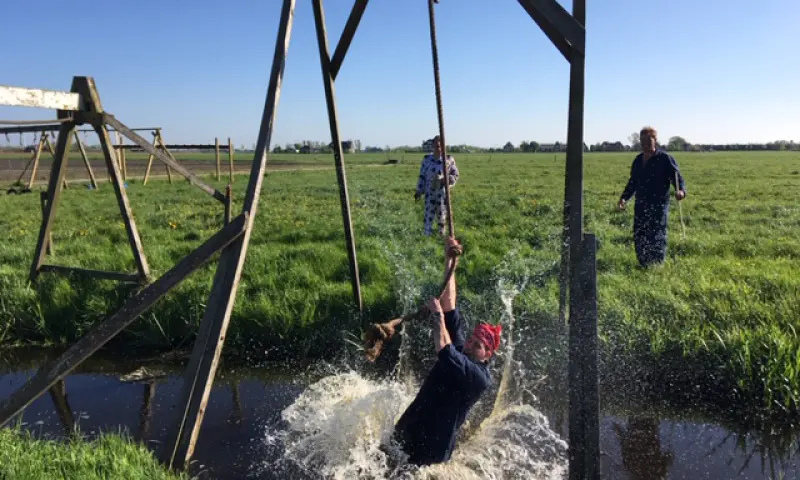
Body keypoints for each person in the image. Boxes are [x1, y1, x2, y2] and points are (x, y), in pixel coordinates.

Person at [390, 236, 502, 466]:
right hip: (409, 429)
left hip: (430, 452)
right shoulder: (461, 350)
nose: (469, 345)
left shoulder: (478, 378)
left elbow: (443, 348)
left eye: (477, 346)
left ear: (488, 355)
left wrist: (437, 316)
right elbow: (449, 303)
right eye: (470, 340)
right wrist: (450, 262)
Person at [618, 126, 687, 267]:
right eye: (643, 142)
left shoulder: (665, 159)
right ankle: (643, 263)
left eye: (648, 142)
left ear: (655, 141)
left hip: (658, 205)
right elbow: (633, 182)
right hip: (641, 204)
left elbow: (678, 179)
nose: (645, 146)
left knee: (657, 234)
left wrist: (681, 192)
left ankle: (657, 265)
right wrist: (624, 198)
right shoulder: (638, 160)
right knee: (640, 234)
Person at [415, 136, 459, 236]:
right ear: (433, 145)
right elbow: (422, 176)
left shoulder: (449, 159)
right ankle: (426, 237)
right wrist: (419, 190)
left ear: (444, 146)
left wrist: (446, 179)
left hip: (443, 196)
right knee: (428, 216)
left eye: (440, 145)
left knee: (442, 217)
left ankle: (441, 238)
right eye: (436, 145)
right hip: (429, 194)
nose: (438, 147)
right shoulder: (427, 159)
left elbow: (455, 175)